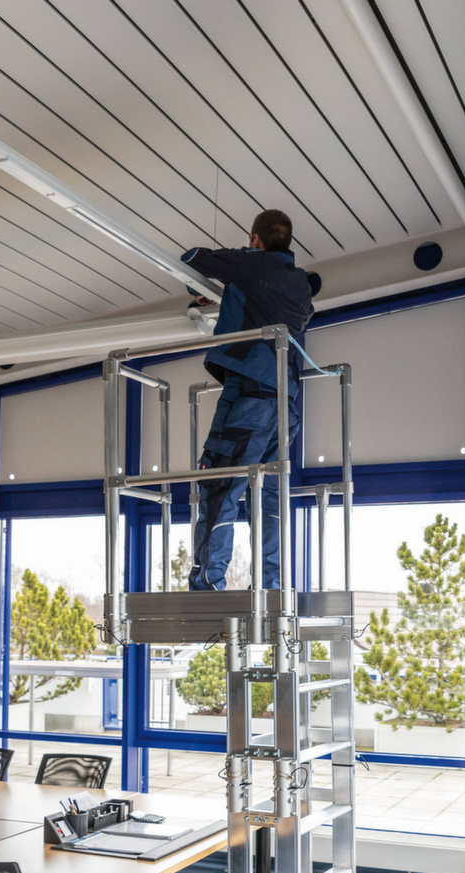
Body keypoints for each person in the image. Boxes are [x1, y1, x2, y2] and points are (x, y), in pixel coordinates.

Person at [181, 209, 321, 591]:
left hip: (249, 395)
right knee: (270, 500)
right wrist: (226, 295)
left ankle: (207, 587)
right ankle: (273, 587)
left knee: (220, 484)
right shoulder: (298, 285)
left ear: (255, 239)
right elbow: (262, 300)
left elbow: (193, 257)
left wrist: (223, 276)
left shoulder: (252, 264)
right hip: (285, 403)